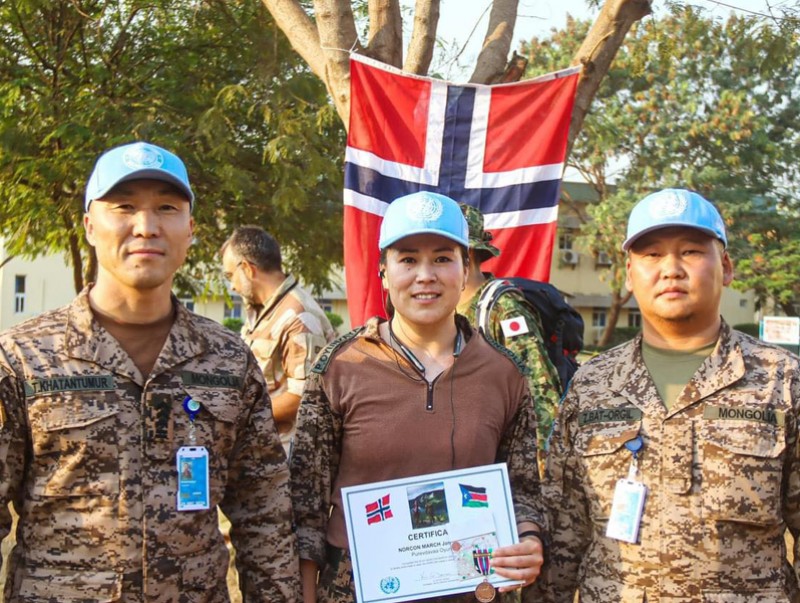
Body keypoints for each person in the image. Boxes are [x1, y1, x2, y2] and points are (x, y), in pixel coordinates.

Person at [0, 141, 298, 601]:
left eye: (166, 208)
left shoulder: (227, 361)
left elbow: (265, 516)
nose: (146, 227)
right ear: (89, 226)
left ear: (190, 229)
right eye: (124, 207)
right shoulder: (25, 359)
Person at [290, 190, 546, 603]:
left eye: (443, 258)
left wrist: (530, 539)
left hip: (472, 590)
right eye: (407, 259)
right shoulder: (340, 367)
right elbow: (304, 506)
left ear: (466, 270)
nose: (425, 275)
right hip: (355, 592)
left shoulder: (505, 374)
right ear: (384, 273)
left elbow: (524, 492)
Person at [545, 188, 800, 601]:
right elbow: (563, 532)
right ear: (629, 274)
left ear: (727, 267)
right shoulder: (592, 384)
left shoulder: (781, 379)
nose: (671, 269)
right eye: (651, 255)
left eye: (692, 252)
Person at [457, 204, 562, 477]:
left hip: (508, 458)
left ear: (467, 253)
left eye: (443, 255)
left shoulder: (501, 307)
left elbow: (539, 387)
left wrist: (543, 471)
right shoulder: (446, 308)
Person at [220, 226, 335, 455]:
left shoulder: (299, 316)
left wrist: (236, 415)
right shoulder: (262, 312)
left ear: (247, 269)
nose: (232, 286)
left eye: (230, 276)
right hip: (260, 449)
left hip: (287, 458)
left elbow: (303, 397)